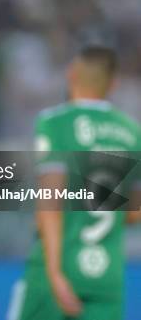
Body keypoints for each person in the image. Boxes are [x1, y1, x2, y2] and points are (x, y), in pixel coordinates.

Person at [9, 46, 141, 320]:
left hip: (58, 270)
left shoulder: (56, 123)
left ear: (71, 74)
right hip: (106, 276)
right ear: (113, 84)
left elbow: (50, 200)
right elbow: (135, 212)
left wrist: (55, 273)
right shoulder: (131, 132)